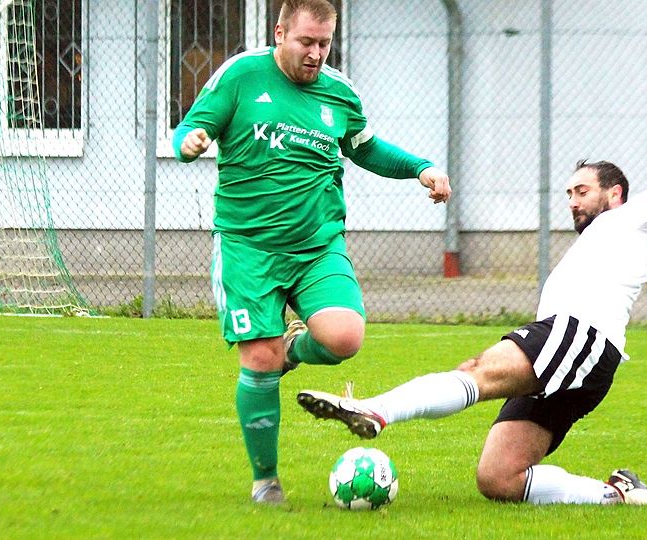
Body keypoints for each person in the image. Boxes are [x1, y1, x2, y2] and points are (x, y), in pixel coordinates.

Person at [297, 72, 647, 507]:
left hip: (581, 337)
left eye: (582, 191)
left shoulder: (635, 218)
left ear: (615, 193)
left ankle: (375, 410)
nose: (572, 201)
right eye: (569, 194)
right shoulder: (596, 241)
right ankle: (618, 494)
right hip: (577, 356)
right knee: (499, 478)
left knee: (477, 370)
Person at [172, 0, 451, 505]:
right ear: (280, 32)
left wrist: (421, 168)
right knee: (259, 358)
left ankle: (294, 350)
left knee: (345, 337)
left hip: (317, 246)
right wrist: (189, 142)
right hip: (248, 246)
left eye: (324, 43)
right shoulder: (240, 76)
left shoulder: (339, 92)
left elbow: (365, 148)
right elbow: (191, 129)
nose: (316, 54)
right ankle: (265, 480)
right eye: (306, 41)